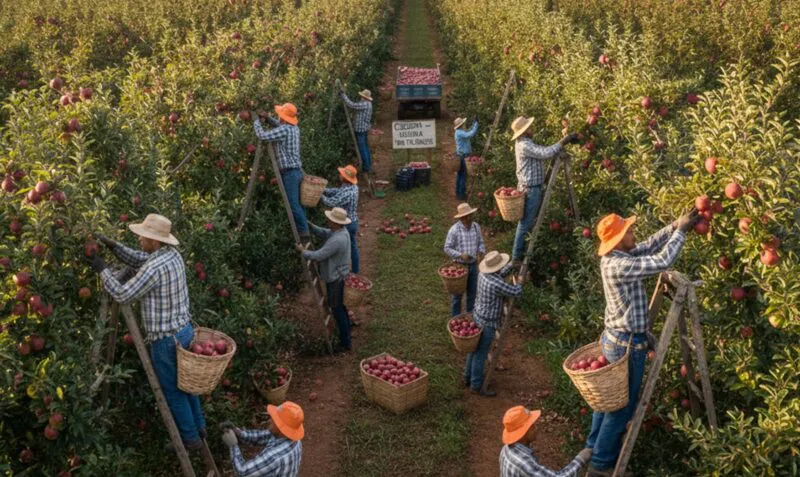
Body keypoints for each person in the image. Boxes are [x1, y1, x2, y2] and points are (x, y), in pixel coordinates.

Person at [584, 210, 699, 476]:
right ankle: (600, 466)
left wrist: (673, 225)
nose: (634, 234)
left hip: (617, 338)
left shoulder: (617, 256)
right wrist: (681, 233)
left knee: (606, 402)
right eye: (630, 232)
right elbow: (660, 261)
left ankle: (592, 448)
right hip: (625, 345)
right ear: (620, 239)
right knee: (621, 407)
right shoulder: (619, 266)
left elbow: (647, 246)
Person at [86, 214, 206, 451]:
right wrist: (114, 246)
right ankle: (200, 428)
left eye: (144, 236)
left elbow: (122, 294)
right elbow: (141, 258)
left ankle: (189, 439)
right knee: (188, 386)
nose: (140, 238)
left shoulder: (153, 269)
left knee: (173, 390)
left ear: (156, 241)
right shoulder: (172, 256)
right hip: (184, 332)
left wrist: (102, 270)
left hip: (165, 341)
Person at [509, 116, 580, 265]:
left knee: (529, 221)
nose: (532, 129)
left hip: (532, 188)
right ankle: (516, 258)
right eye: (529, 127)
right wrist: (564, 140)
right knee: (525, 223)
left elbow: (543, 151)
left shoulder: (525, 142)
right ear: (524, 131)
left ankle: (521, 252)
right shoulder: (524, 145)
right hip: (530, 190)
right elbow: (545, 153)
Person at [465, 251, 523, 396]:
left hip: (477, 316)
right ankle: (476, 385)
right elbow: (515, 292)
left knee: (473, 350)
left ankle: (467, 377)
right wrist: (521, 281)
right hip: (488, 323)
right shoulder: (496, 283)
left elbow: (500, 274)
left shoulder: (483, 275)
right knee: (481, 354)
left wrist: (511, 266)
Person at [295, 207, 352, 352]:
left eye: (331, 220)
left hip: (335, 278)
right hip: (339, 275)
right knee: (340, 305)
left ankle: (345, 343)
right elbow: (324, 232)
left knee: (336, 308)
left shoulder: (337, 240)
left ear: (337, 223)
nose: (328, 221)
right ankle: (347, 329)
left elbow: (319, 255)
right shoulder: (339, 232)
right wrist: (311, 226)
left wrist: (303, 252)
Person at [253, 103, 309, 241]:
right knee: (299, 204)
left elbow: (262, 136)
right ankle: (306, 229)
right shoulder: (294, 128)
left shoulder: (284, 130)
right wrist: (268, 118)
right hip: (297, 171)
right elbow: (279, 125)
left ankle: (304, 232)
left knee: (293, 204)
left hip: (289, 173)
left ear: (283, 117)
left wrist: (256, 121)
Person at [500, 405, 592, 477]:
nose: (536, 429)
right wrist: (580, 459)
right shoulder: (524, 463)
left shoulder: (506, 449)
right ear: (522, 434)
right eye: (532, 427)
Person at [220, 401, 304, 477]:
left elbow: (242, 472)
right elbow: (262, 436)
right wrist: (240, 433)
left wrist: (233, 445)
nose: (270, 420)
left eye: (274, 419)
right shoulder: (294, 439)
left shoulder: (274, 457)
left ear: (281, 428)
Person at [443, 202, 486, 317]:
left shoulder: (476, 227)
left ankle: (470, 317)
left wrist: (481, 251)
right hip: (459, 266)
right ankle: (455, 318)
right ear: (461, 218)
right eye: (466, 216)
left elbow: (481, 242)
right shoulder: (454, 230)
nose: (469, 218)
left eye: (470, 215)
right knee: (457, 295)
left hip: (473, 265)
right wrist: (460, 255)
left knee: (472, 293)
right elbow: (447, 248)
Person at [321, 165, 360, 274]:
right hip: (353, 221)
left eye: (341, 174)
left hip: (347, 224)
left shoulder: (348, 193)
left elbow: (331, 202)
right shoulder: (352, 187)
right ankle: (355, 270)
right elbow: (337, 191)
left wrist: (320, 195)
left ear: (344, 178)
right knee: (352, 246)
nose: (339, 175)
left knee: (344, 248)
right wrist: (325, 190)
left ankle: (342, 271)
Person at [340, 88, 374, 173]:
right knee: (365, 147)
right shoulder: (368, 104)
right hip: (364, 129)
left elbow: (352, 105)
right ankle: (368, 166)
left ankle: (366, 168)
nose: (361, 98)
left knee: (362, 148)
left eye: (362, 96)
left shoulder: (365, 104)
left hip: (360, 129)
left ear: (365, 97)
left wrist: (343, 95)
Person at [453, 116, 478, 200]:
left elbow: (467, 133)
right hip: (463, 156)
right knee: (463, 175)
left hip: (460, 155)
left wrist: (473, 124)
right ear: (461, 125)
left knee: (460, 175)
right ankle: (461, 195)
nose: (464, 125)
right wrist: (476, 124)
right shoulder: (460, 132)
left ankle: (458, 193)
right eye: (463, 124)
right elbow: (470, 134)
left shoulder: (458, 132)